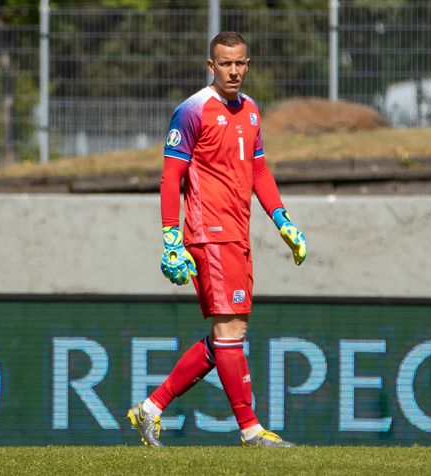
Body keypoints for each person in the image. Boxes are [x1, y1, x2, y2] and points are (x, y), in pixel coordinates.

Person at [127, 31, 307, 448]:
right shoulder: (192, 111)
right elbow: (171, 176)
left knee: (230, 333)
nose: (233, 70)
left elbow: (258, 171)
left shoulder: (252, 112)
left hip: (238, 234)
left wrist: (283, 220)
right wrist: (172, 237)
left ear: (248, 65)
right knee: (229, 329)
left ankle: (150, 408)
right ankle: (251, 431)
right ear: (212, 66)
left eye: (240, 63)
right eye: (225, 63)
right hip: (209, 235)